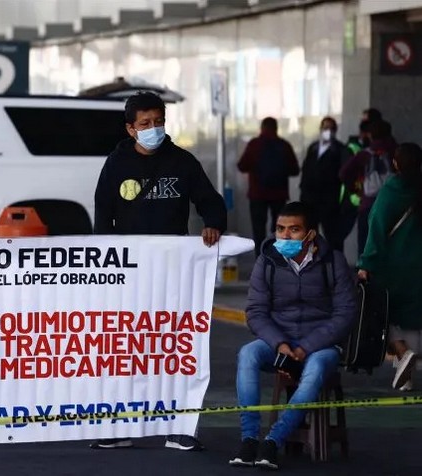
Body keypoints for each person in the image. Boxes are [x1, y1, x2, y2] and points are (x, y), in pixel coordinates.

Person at [92, 91, 227, 451]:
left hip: (174, 274)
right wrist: (108, 264)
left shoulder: (182, 162)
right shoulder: (115, 165)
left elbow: (210, 201)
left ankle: (180, 427)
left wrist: (213, 223)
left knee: (173, 350)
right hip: (129, 275)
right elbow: (103, 215)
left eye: (159, 122)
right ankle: (119, 426)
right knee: (127, 349)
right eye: (145, 124)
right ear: (130, 128)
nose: (154, 129)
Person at [229, 201, 356, 470]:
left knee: (317, 367)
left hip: (321, 345)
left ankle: (273, 442)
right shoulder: (267, 261)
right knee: (247, 354)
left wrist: (306, 347)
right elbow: (255, 312)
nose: (285, 236)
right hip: (279, 341)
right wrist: (280, 343)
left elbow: (345, 315)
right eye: (280, 229)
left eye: (294, 229)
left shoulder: (333, 261)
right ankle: (249, 440)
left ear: (310, 234)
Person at [357, 143, 422, 391]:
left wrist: (365, 264)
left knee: (384, 315)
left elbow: (377, 230)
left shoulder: (391, 191)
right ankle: (406, 376)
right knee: (413, 314)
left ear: (395, 164)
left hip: (393, 268)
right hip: (418, 269)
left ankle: (403, 353)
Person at [237, 117, 299, 257]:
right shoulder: (284, 145)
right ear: (276, 128)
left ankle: (260, 260)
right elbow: (295, 170)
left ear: (262, 128)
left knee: (258, 230)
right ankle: (277, 259)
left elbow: (241, 166)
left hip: (257, 195)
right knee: (279, 230)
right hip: (279, 195)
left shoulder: (254, 145)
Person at [340, 120, 397, 258]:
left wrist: (355, 190)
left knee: (365, 245)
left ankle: (364, 276)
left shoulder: (364, 154)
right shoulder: (397, 151)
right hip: (393, 205)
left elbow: (343, 173)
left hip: (368, 205)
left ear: (370, 135)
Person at [299, 117, 351, 252]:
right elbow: (306, 171)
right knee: (310, 237)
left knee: (333, 237)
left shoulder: (340, 150)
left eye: (330, 128)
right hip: (310, 200)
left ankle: (335, 267)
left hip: (330, 200)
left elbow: (345, 174)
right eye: (325, 128)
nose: (327, 131)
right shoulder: (313, 148)